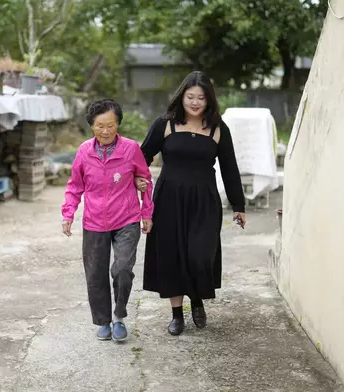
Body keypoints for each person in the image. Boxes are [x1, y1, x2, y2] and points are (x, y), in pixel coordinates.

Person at [136, 71, 246, 336]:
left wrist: (238, 205)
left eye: (201, 97)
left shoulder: (219, 128)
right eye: (190, 97)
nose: (195, 102)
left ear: (209, 100)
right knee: (172, 255)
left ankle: (196, 300)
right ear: (181, 96)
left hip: (204, 200)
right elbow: (142, 157)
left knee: (200, 254)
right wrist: (137, 180)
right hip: (168, 199)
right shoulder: (165, 124)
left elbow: (229, 169)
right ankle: (176, 314)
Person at [61, 98, 154, 343]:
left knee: (122, 269)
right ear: (92, 125)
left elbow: (145, 180)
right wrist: (68, 213)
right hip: (94, 221)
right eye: (100, 125)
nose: (105, 131)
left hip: (126, 218)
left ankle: (119, 317)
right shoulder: (84, 151)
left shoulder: (131, 149)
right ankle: (103, 321)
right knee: (95, 273)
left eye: (110, 125)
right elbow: (75, 186)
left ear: (118, 125)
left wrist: (147, 213)